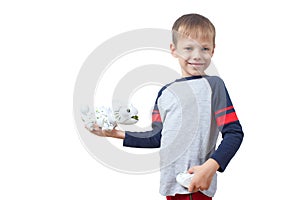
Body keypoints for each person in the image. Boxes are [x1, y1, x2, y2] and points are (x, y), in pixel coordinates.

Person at [89, 13, 244, 200]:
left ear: (212, 51)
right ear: (174, 50)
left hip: (197, 186)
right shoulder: (165, 93)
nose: (197, 55)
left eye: (204, 48)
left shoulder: (214, 86)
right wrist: (116, 134)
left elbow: (234, 132)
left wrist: (210, 167)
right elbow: (157, 137)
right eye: (188, 48)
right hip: (170, 186)